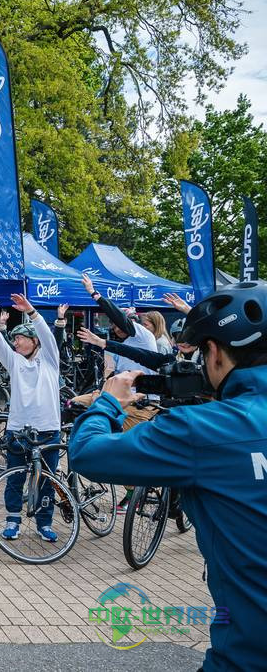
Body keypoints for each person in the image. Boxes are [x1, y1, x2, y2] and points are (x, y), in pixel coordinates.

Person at [69, 281, 267, 672]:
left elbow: (86, 453)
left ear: (213, 351)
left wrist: (108, 401)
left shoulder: (202, 428)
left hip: (250, 651)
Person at [0, 294, 62, 542]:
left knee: (47, 480)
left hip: (48, 429)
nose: (15, 343)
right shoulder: (14, 362)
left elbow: (47, 335)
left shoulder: (49, 360)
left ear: (34, 341)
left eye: (21, 338)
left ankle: (44, 523)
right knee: (15, 477)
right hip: (18, 430)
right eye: (14, 338)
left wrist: (32, 312)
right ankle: (12, 520)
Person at [82, 274, 157, 377]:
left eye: (119, 325)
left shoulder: (143, 336)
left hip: (144, 391)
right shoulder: (124, 344)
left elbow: (118, 316)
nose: (118, 329)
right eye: (114, 326)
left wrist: (94, 294)